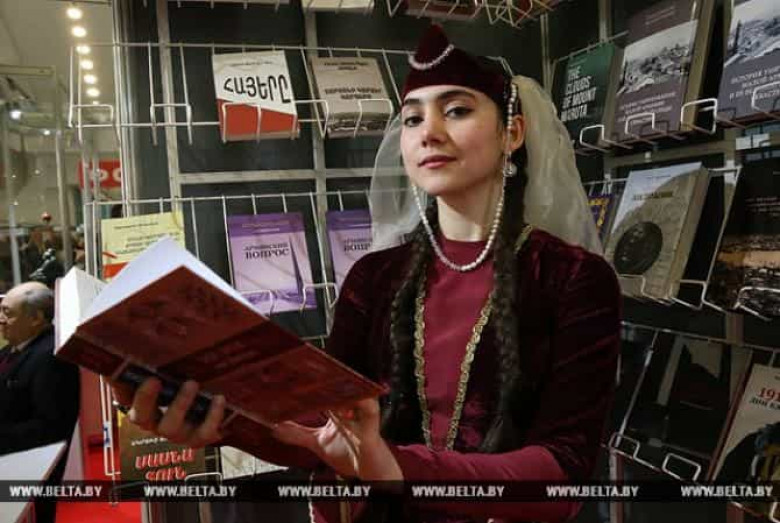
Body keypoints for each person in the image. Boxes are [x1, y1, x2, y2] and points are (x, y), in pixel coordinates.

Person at [113, 24, 622, 523]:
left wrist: (393, 467)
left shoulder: (574, 278)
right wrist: (214, 415)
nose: (429, 133)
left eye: (457, 110)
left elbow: (563, 470)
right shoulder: (374, 277)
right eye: (413, 118)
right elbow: (324, 434)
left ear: (511, 132)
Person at [0, 281, 81, 523]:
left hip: (27, 472)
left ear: (36, 318)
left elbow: (50, 428)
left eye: (8, 313)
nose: (1, 319)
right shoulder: (12, 350)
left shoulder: (52, 357)